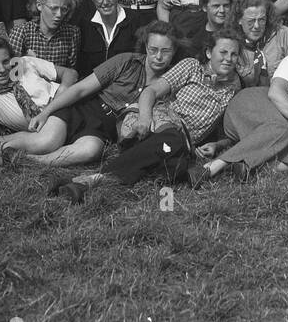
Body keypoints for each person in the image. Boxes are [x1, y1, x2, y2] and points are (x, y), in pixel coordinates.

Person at [49, 30, 244, 204]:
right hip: (154, 124)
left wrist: (217, 145)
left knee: (176, 167)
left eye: (234, 54)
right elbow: (150, 92)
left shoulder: (233, 90)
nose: (228, 59)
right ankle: (91, 181)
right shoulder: (192, 67)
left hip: (177, 145)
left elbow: (228, 132)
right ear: (210, 53)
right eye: (223, 52)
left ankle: (84, 184)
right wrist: (144, 118)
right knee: (174, 140)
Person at [188, 22, 288, 185]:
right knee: (281, 129)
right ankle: (213, 167)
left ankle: (259, 168)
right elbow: (276, 93)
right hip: (257, 104)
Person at [25, 20, 179, 152]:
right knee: (46, 142)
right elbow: (81, 89)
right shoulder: (126, 61)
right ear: (146, 47)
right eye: (153, 50)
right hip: (86, 108)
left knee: (90, 150)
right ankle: (1, 143)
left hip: (107, 129)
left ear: (174, 51)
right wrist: (45, 112)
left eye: (165, 51)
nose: (158, 57)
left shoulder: (172, 80)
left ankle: (35, 160)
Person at [0, 34, 110, 168]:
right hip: (49, 130)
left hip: (71, 105)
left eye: (6, 62)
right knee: (91, 150)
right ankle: (34, 160)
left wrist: (62, 92)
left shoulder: (25, 63)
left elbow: (70, 73)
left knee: (48, 141)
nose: (2, 69)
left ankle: (18, 154)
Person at [6, 0, 81, 89]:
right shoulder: (21, 32)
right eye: (53, 8)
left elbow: (72, 71)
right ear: (39, 5)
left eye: (63, 9)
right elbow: (12, 75)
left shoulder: (72, 33)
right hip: (26, 90)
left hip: (57, 92)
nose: (59, 14)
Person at [76, 0, 139, 76]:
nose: (105, 2)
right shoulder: (84, 25)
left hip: (126, 84)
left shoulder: (135, 20)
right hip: (93, 87)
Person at [234, 0, 288, 87]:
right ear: (239, 20)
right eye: (251, 21)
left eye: (261, 20)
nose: (256, 26)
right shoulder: (232, 43)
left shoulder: (283, 34)